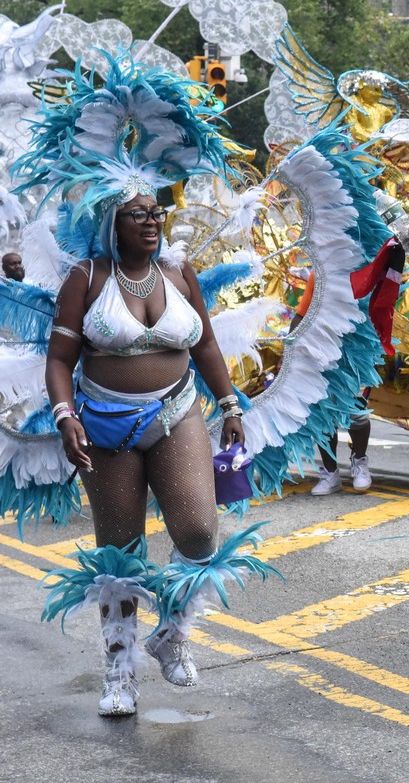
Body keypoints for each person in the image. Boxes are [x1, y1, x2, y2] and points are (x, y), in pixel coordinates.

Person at [44, 193, 279, 716]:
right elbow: (59, 359)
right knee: (120, 555)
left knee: (198, 532)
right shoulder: (87, 278)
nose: (151, 223)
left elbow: (207, 345)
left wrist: (229, 405)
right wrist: (66, 416)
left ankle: (173, 633)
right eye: (137, 215)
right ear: (112, 223)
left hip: (178, 413)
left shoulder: (179, 272)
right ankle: (120, 671)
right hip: (108, 426)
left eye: (156, 214)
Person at [291, 270, 374, 494]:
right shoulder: (318, 275)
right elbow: (301, 314)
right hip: (322, 352)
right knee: (324, 414)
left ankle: (360, 462)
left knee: (357, 412)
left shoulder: (367, 272)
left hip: (356, 353)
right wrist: (291, 351)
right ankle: (330, 472)